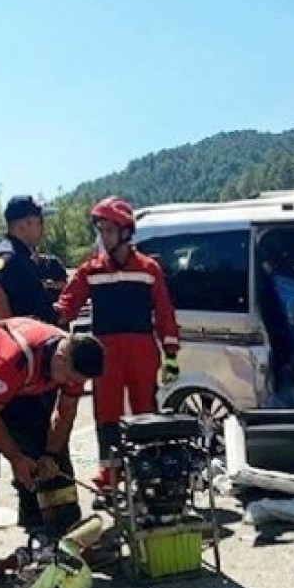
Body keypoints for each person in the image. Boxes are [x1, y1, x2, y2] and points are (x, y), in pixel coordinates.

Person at [0, 318, 104, 572]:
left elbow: (66, 410)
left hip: (25, 385)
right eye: (70, 377)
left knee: (49, 453)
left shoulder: (71, 364)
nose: (72, 383)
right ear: (60, 359)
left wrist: (50, 454)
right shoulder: (16, 358)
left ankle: (64, 535)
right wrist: (15, 457)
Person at [56, 197, 180, 485]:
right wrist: (55, 315)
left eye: (109, 230)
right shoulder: (92, 269)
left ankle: (149, 468)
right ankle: (110, 470)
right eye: (101, 230)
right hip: (105, 351)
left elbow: (164, 311)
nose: (104, 236)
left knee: (145, 410)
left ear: (125, 232)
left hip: (141, 349)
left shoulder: (149, 269)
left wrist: (171, 353)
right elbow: (69, 302)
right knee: (106, 410)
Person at [0, 195, 53, 326]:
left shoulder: (20, 254)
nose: (43, 228)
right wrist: (13, 329)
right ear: (23, 226)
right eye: (40, 221)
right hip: (17, 342)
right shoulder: (9, 254)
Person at [35, 250, 68, 325]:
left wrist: (50, 284)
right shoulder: (26, 267)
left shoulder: (53, 263)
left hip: (56, 310)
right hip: (38, 313)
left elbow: (65, 285)